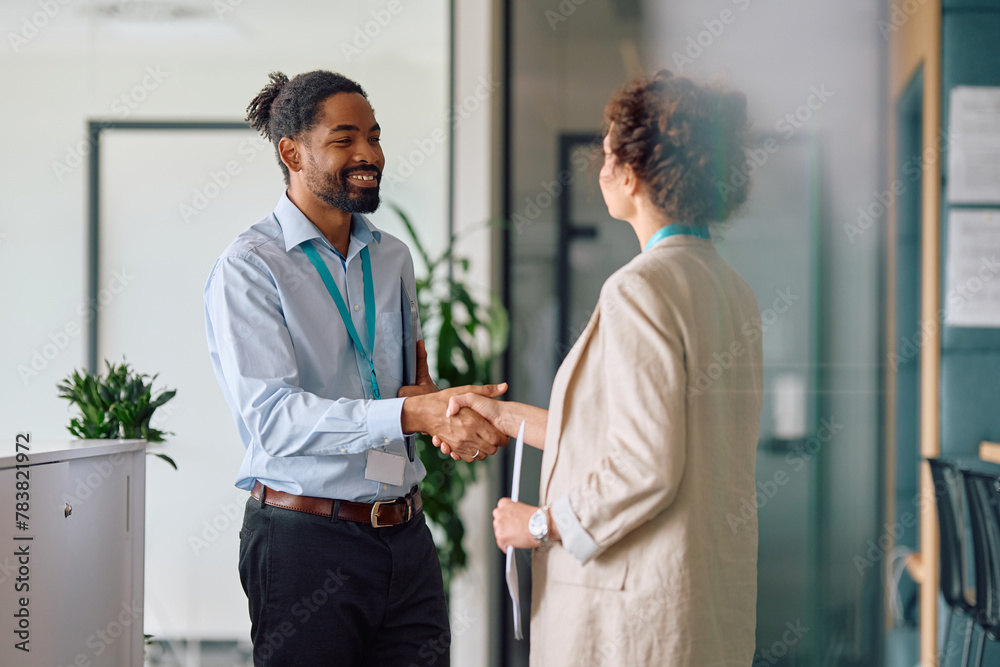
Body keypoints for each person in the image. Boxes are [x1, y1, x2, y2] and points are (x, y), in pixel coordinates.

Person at [441, 70, 764, 665]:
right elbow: (631, 434)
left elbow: (646, 465)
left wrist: (537, 525)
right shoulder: (728, 287)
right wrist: (503, 415)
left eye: (608, 151)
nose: (600, 166)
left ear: (634, 173)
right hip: (697, 605)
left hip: (632, 617)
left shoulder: (640, 289)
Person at [203, 70, 507, 666]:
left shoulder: (391, 257)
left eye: (374, 135)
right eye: (345, 139)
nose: (368, 153)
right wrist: (411, 410)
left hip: (405, 538)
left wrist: (437, 412)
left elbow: (402, 390)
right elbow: (273, 419)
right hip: (304, 542)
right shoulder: (250, 267)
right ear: (292, 152)